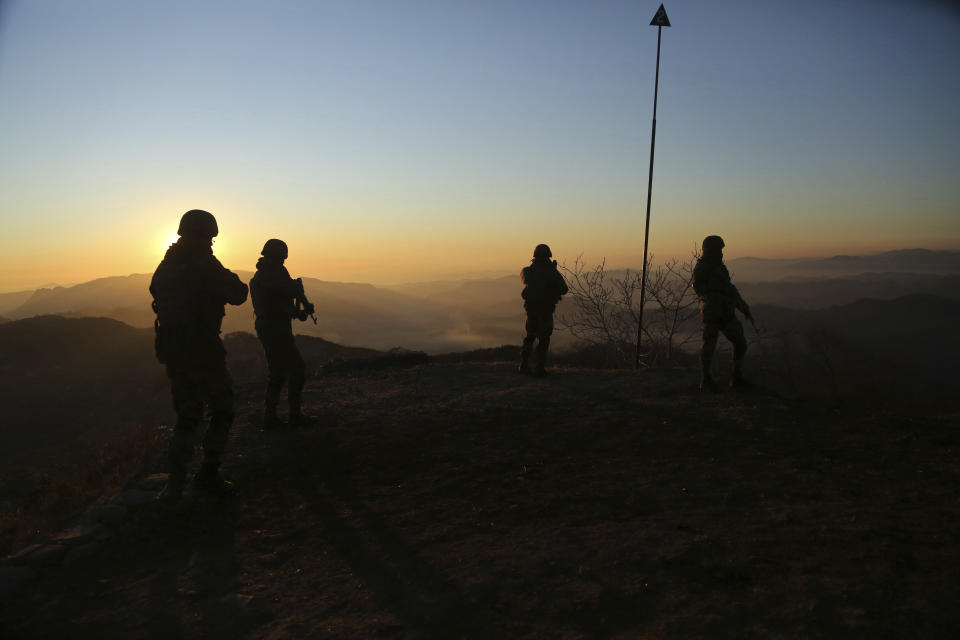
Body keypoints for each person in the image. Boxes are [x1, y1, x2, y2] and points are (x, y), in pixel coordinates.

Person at [150, 209, 248, 502]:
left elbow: (155, 290)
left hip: (174, 351)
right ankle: (207, 475)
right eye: (209, 238)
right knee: (223, 409)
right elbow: (239, 293)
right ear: (205, 235)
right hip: (203, 350)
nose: (211, 243)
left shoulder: (166, 266)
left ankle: (175, 487)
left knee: (187, 416)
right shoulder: (202, 264)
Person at [249, 239, 316, 428]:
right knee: (297, 370)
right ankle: (293, 415)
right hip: (273, 329)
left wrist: (299, 312)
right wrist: (297, 291)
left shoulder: (274, 273)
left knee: (278, 372)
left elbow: (281, 302)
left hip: (275, 327)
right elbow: (287, 291)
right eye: (281, 258)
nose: (283, 262)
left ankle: (271, 417)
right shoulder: (268, 275)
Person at [692, 235, 752, 391]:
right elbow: (699, 288)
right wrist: (714, 294)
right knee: (709, 346)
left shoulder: (720, 268)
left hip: (726, 312)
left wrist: (742, 306)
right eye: (718, 250)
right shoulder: (703, 268)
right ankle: (706, 380)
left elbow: (730, 289)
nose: (721, 253)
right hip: (712, 313)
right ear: (710, 251)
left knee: (740, 343)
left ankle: (737, 377)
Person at [519, 244, 568, 376]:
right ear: (548, 256)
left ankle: (523, 365)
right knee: (544, 338)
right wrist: (552, 274)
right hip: (545, 310)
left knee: (530, 337)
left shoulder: (529, 271)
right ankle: (539, 368)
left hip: (531, 309)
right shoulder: (551, 272)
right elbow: (564, 289)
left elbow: (526, 280)